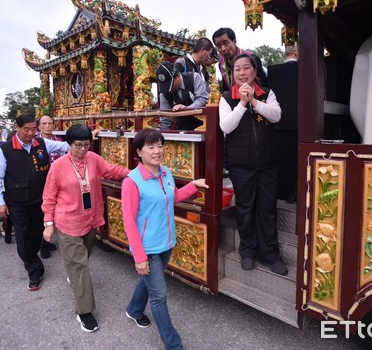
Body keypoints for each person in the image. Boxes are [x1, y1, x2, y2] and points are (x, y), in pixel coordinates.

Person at [121, 128, 208, 350]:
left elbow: (173, 197)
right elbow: (129, 222)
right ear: (139, 151)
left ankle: (134, 310)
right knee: (159, 296)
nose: (157, 151)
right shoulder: (132, 182)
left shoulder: (165, 173)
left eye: (160, 145)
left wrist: (192, 186)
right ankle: (174, 344)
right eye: (150, 146)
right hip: (147, 248)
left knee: (149, 279)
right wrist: (139, 257)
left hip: (166, 242)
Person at [42, 123, 130, 333]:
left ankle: (73, 274)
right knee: (80, 267)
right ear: (69, 144)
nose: (83, 150)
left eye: (87, 145)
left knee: (84, 257)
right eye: (78, 145)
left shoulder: (93, 159)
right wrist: (48, 224)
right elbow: (49, 196)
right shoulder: (59, 166)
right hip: (67, 222)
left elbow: (113, 170)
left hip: (90, 220)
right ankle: (84, 311)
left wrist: (137, 175)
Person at [218, 54, 288, 275]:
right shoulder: (227, 97)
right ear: (233, 74)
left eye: (246, 68)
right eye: (237, 69)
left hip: (268, 163)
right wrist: (242, 103)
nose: (241, 73)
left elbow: (276, 116)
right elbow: (225, 127)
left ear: (254, 71)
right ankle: (247, 251)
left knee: (267, 209)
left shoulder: (267, 94)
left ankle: (270, 253)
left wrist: (255, 102)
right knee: (245, 209)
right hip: (241, 165)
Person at [0, 114, 70, 291]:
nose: (31, 132)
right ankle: (34, 271)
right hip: (17, 202)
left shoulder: (41, 144)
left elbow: (65, 146)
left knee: (36, 234)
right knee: (23, 238)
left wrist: (85, 137)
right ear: (16, 128)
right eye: (26, 129)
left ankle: (31, 256)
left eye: (34, 129)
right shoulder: (4, 149)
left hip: (40, 200)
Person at [36, 114, 65, 258]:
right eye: (44, 124)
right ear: (39, 126)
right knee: (43, 211)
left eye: (50, 123)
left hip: (58, 181)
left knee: (55, 210)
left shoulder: (58, 141)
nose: (47, 126)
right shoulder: (35, 142)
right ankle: (42, 244)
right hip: (41, 181)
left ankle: (48, 241)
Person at [212, 27, 267, 92]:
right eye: (219, 45)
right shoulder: (221, 63)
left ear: (234, 41)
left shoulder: (252, 58)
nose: (223, 49)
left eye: (226, 43)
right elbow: (226, 88)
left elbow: (264, 84)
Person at [157, 61, 209, 130]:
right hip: (181, 129)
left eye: (171, 85)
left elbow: (203, 99)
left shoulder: (194, 77)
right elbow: (164, 118)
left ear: (178, 76)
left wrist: (186, 109)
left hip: (202, 126)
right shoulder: (164, 93)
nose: (169, 90)